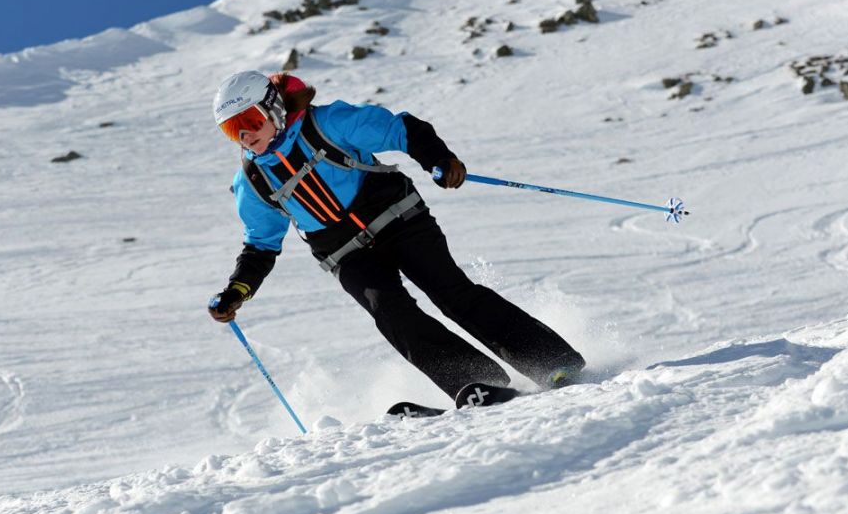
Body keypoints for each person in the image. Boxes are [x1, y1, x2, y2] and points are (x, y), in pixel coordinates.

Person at [207, 70, 584, 403]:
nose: (245, 135)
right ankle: (479, 382)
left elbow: (401, 129)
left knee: (450, 292)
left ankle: (552, 362)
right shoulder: (253, 181)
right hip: (346, 254)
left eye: (250, 120)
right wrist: (237, 290)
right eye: (231, 130)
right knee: (392, 316)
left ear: (272, 108)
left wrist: (439, 159)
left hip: (398, 219)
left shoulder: (328, 123)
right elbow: (260, 244)